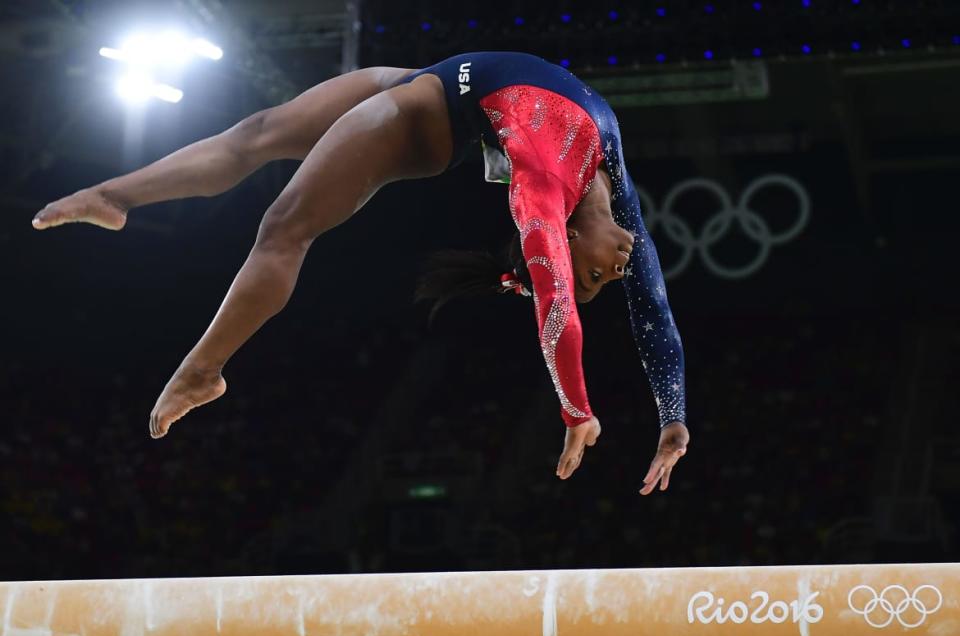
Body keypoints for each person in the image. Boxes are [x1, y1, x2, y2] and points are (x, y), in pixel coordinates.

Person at [32, 52, 689, 494]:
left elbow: (558, 310)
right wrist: (673, 416)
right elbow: (651, 313)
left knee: (284, 226)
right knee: (255, 132)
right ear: (572, 236)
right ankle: (114, 196)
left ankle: (203, 371)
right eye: (598, 281)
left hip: (424, 118)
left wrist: (578, 409)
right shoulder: (617, 193)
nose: (614, 274)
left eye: (596, 282)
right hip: (435, 77)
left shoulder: (539, 199)